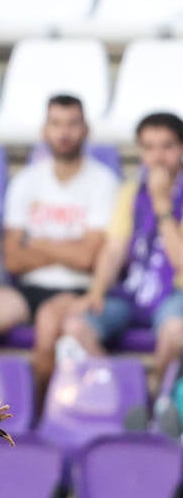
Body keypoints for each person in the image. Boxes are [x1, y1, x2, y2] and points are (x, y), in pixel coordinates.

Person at [0, 96, 119, 395]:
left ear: (86, 129)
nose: (64, 133)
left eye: (72, 124)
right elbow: (12, 258)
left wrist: (34, 242)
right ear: (44, 130)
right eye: (56, 124)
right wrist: (67, 248)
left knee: (49, 322)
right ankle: (8, 400)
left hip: (77, 289)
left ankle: (36, 412)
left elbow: (89, 258)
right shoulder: (26, 180)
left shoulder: (104, 181)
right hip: (26, 288)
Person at [57, 111, 183, 391]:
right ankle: (126, 398)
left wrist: (162, 206)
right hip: (133, 291)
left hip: (177, 293)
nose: (158, 157)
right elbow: (115, 249)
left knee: (175, 332)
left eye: (167, 146)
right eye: (149, 147)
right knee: (75, 327)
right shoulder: (130, 191)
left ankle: (159, 405)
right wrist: (98, 290)